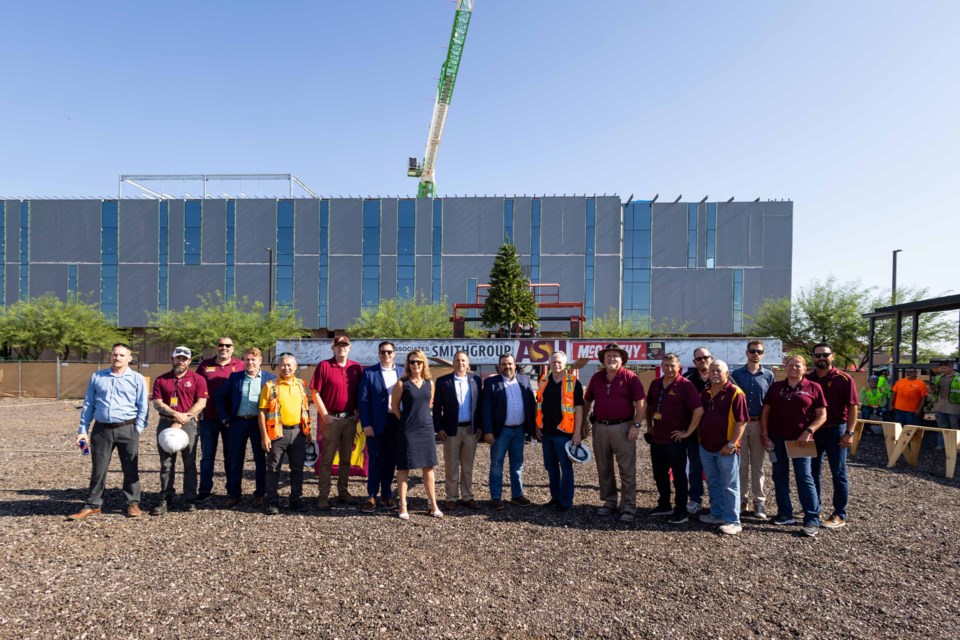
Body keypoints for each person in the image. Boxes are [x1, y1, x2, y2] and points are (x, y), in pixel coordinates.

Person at [69, 343, 149, 520]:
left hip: (127, 428)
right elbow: (89, 404)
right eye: (115, 355)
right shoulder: (97, 377)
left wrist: (138, 429)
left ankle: (132, 503)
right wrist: (83, 430)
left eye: (122, 355)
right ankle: (93, 504)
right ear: (110, 356)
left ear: (129, 358)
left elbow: (143, 406)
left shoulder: (137, 379)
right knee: (99, 468)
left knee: (130, 468)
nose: (117, 358)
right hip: (101, 430)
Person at [674, 360, 747, 535]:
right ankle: (717, 513)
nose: (714, 373)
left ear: (727, 373)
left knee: (729, 485)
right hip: (706, 447)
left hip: (726, 448)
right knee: (713, 482)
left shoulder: (736, 393)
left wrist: (731, 444)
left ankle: (733, 521)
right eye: (712, 370)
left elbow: (742, 421)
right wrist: (699, 439)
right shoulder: (704, 394)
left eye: (718, 370)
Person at [760, 355, 827, 538]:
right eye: (790, 365)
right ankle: (785, 513)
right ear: (785, 367)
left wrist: (809, 431)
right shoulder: (776, 388)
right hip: (777, 439)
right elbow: (765, 413)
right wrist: (765, 435)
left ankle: (812, 518)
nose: (793, 368)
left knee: (804, 477)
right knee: (779, 475)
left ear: (805, 369)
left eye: (798, 366)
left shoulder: (814, 387)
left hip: (801, 440)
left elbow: (821, 415)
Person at [583, 343, 646, 523]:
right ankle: (609, 501)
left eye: (615, 356)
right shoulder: (597, 378)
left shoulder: (630, 377)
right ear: (603, 359)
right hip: (600, 427)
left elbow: (641, 403)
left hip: (623, 428)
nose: (611, 359)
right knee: (604, 467)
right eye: (608, 356)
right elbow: (587, 400)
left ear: (622, 359)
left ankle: (628, 506)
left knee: (626, 469)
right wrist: (583, 423)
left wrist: (636, 424)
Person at [150, 346, 209, 516]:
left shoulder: (198, 379)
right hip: (166, 423)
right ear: (172, 359)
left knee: (189, 462)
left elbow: (201, 403)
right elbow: (158, 403)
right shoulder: (162, 380)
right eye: (178, 358)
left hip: (189, 424)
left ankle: (190, 498)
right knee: (167, 463)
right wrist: (176, 415)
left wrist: (185, 417)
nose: (181, 361)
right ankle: (166, 496)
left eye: (184, 358)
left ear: (189, 361)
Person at [805, 343, 859, 530]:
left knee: (839, 473)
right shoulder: (808, 379)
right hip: (815, 431)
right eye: (818, 355)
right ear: (813, 358)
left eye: (825, 355)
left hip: (837, 430)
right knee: (813, 472)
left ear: (832, 356)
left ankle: (839, 513)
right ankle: (814, 508)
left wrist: (849, 433)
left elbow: (853, 407)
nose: (821, 358)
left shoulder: (844, 379)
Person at [215, 347, 276, 508]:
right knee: (235, 460)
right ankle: (234, 494)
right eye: (247, 359)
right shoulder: (235, 377)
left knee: (260, 460)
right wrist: (226, 418)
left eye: (253, 359)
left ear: (260, 361)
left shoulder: (270, 379)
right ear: (243, 361)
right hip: (238, 423)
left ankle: (259, 494)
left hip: (259, 424)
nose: (250, 362)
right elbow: (219, 396)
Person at [646, 353, 703, 525]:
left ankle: (681, 510)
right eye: (666, 365)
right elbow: (649, 406)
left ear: (678, 367)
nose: (669, 368)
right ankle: (664, 504)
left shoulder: (685, 385)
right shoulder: (656, 384)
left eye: (672, 365)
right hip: (657, 438)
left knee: (678, 476)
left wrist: (687, 432)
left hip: (675, 440)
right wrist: (649, 426)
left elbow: (698, 410)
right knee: (659, 474)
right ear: (661, 366)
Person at [310, 335, 364, 510]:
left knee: (346, 459)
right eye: (338, 345)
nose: (342, 348)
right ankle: (323, 496)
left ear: (349, 348)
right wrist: (324, 415)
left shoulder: (356, 368)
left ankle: (343, 491)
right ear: (333, 348)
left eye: (345, 345)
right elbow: (315, 392)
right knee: (327, 459)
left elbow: (361, 393)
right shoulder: (324, 366)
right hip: (332, 420)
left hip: (349, 420)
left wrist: (357, 412)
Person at [481, 353, 537, 510]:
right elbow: (485, 409)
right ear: (499, 366)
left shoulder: (524, 380)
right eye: (504, 364)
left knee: (517, 464)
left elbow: (531, 406)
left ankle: (517, 495)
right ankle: (496, 497)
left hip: (519, 431)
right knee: (497, 464)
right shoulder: (491, 383)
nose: (507, 367)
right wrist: (488, 431)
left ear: (515, 365)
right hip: (501, 432)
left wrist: (532, 429)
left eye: (510, 364)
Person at [391, 349, 441, 520]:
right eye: (412, 362)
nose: (415, 365)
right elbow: (395, 407)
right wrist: (405, 421)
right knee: (404, 467)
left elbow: (428, 405)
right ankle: (403, 504)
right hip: (408, 431)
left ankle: (433, 503)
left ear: (423, 363)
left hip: (426, 430)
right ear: (408, 364)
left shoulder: (430, 383)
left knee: (428, 467)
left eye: (419, 362)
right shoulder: (402, 383)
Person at [259, 353, 311, 515]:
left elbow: (305, 409)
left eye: (290, 365)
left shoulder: (301, 384)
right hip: (277, 434)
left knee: (297, 468)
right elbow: (262, 412)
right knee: (273, 468)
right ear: (278, 366)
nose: (286, 368)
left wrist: (308, 432)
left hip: (298, 433)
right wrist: (265, 436)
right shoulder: (270, 386)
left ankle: (295, 499)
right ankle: (272, 501)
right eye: (283, 365)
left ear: (295, 367)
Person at [730, 339, 775, 520]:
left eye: (759, 351)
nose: (755, 354)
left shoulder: (769, 376)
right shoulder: (737, 374)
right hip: (740, 424)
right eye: (752, 351)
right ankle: (741, 500)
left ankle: (759, 502)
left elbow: (771, 404)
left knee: (758, 465)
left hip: (759, 423)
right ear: (746, 353)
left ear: (763, 354)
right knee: (741, 465)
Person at [534, 351, 584, 513]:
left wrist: (577, 433)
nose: (556, 364)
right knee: (551, 467)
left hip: (564, 433)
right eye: (553, 362)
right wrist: (537, 426)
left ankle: (566, 501)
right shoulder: (544, 381)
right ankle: (555, 498)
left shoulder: (573, 382)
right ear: (549, 363)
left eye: (559, 362)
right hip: (546, 432)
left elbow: (579, 409)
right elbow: (539, 404)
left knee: (566, 468)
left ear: (565, 364)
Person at [432, 350, 482, 511]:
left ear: (468, 364)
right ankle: (451, 497)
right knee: (451, 465)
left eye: (463, 360)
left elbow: (479, 406)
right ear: (453, 363)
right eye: (457, 360)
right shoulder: (443, 381)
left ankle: (467, 496)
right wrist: (438, 428)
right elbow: (437, 407)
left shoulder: (475, 380)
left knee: (468, 466)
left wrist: (480, 426)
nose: (460, 363)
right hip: (450, 430)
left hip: (470, 430)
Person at [358, 341, 404, 512]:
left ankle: (387, 494)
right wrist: (366, 424)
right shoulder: (369, 373)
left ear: (394, 353)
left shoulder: (402, 372)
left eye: (389, 352)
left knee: (391, 460)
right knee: (375, 460)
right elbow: (363, 401)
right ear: (378, 354)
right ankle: (371, 495)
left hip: (396, 422)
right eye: (383, 352)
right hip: (376, 423)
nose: (386, 354)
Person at [195, 336, 242, 502]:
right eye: (221, 345)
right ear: (216, 347)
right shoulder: (205, 366)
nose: (224, 348)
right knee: (207, 457)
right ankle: (205, 490)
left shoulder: (240, 365)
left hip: (231, 420)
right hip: (208, 418)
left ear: (233, 348)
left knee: (231, 456)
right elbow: (197, 389)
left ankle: (232, 490)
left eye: (228, 345)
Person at [682, 347, 712, 514]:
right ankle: (695, 499)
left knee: (717, 467)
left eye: (705, 357)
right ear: (694, 362)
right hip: (694, 431)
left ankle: (717, 500)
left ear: (711, 358)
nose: (703, 361)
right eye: (699, 359)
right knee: (695, 466)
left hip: (717, 432)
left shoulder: (722, 376)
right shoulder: (687, 379)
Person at [931, 359, 960, 451]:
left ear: (951, 367)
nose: (942, 369)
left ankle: (956, 446)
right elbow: (934, 391)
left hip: (954, 407)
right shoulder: (938, 377)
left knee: (955, 427)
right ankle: (941, 445)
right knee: (941, 427)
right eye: (941, 368)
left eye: (944, 368)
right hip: (939, 406)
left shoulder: (958, 377)